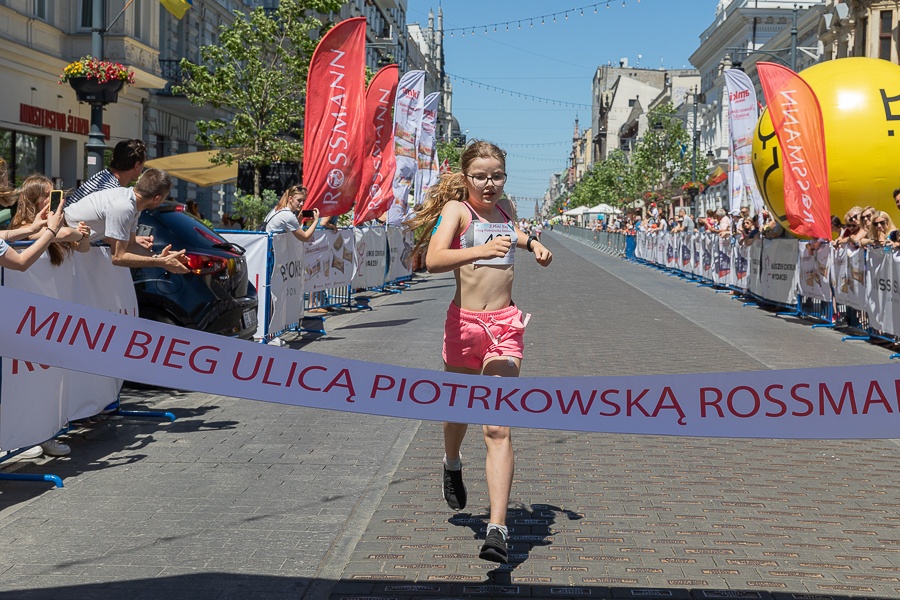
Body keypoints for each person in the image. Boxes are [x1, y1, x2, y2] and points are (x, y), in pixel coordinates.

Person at [404, 140, 552, 564]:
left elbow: (513, 234)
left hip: (504, 326)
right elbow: (432, 260)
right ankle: (452, 463)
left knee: (497, 427)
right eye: (481, 177)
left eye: (497, 176)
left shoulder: (504, 209)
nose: (490, 184)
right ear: (466, 178)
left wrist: (532, 245)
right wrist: (480, 250)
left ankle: (497, 528)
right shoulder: (458, 212)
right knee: (458, 414)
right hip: (464, 327)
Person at [62, 168, 189, 273]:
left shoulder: (132, 203)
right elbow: (118, 257)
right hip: (57, 243)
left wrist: (160, 257)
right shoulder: (124, 207)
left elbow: (131, 245)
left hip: (67, 245)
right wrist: (161, 262)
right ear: (157, 198)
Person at [10, 175, 91, 265]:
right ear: (32, 200)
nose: (51, 200)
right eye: (45, 195)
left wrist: (85, 237)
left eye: (53, 194)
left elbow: (83, 248)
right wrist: (80, 235)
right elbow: (66, 233)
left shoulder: (53, 225)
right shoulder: (24, 227)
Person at [65, 138, 146, 207]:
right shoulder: (112, 191)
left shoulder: (103, 176)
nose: (142, 170)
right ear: (137, 165)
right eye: (143, 165)